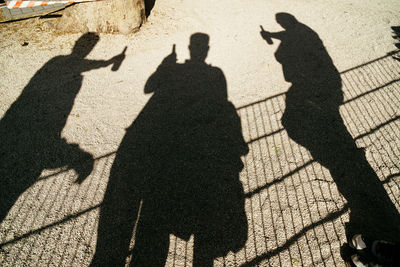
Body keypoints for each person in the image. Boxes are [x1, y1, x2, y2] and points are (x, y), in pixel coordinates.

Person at [91, 33, 248, 266]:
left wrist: (166, 64)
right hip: (196, 145)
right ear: (205, 49)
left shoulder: (180, 71)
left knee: (156, 213)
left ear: (192, 49)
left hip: (173, 143)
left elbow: (149, 87)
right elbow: (220, 104)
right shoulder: (215, 75)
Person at [260, 12, 400, 244]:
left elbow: (289, 40)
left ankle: (375, 222)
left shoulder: (302, 39)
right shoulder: (301, 31)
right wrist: (271, 35)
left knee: (330, 139)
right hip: (320, 95)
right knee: (340, 144)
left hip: (315, 93)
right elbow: (288, 35)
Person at [0, 32, 125, 223]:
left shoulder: (58, 61)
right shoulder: (57, 61)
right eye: (86, 45)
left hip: (41, 124)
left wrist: (108, 62)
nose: (86, 49)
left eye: (89, 46)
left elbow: (88, 65)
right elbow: (86, 65)